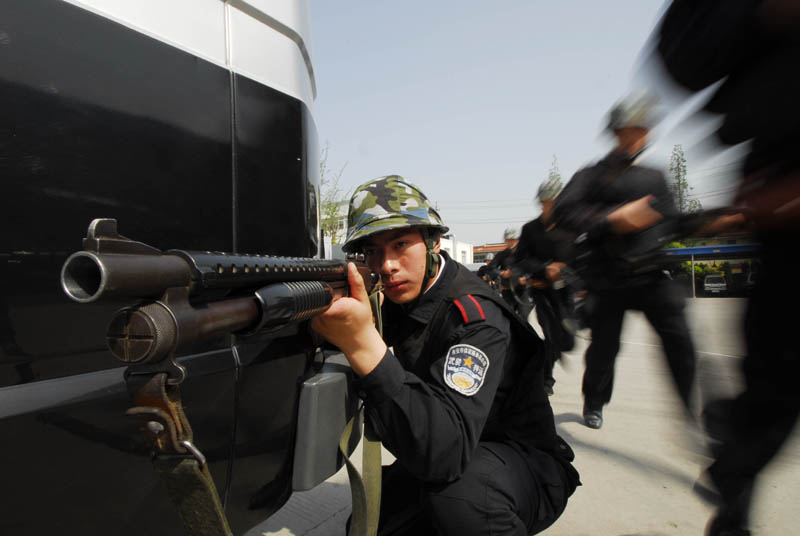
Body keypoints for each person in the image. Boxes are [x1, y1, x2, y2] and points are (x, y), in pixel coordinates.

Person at [312, 175, 579, 536]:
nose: (387, 265)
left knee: (463, 500)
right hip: (458, 443)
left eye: (400, 244)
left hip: (522, 461)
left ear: (433, 242)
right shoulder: (400, 296)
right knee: (372, 524)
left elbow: (444, 455)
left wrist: (362, 344)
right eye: (372, 252)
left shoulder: (475, 318)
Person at [655, 2, 800, 534]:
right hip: (781, 181)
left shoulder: (655, 183)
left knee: (768, 393)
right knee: (776, 383)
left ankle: (733, 447)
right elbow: (682, 57)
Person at [553, 93, 698, 430]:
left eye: (642, 130)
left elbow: (672, 219)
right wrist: (610, 219)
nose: (636, 137)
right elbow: (564, 211)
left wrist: (711, 221)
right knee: (604, 349)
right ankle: (594, 401)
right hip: (609, 276)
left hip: (653, 273)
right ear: (616, 133)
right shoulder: (592, 176)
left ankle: (692, 409)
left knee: (680, 338)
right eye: (629, 130)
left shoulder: (654, 177)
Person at [511, 176, 576, 396]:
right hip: (542, 291)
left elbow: (580, 257)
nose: (550, 204)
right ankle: (546, 379)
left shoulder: (571, 227)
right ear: (541, 202)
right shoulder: (530, 230)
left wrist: (564, 271)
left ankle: (554, 352)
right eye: (547, 201)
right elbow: (520, 260)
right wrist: (543, 269)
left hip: (566, 291)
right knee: (550, 334)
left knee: (566, 341)